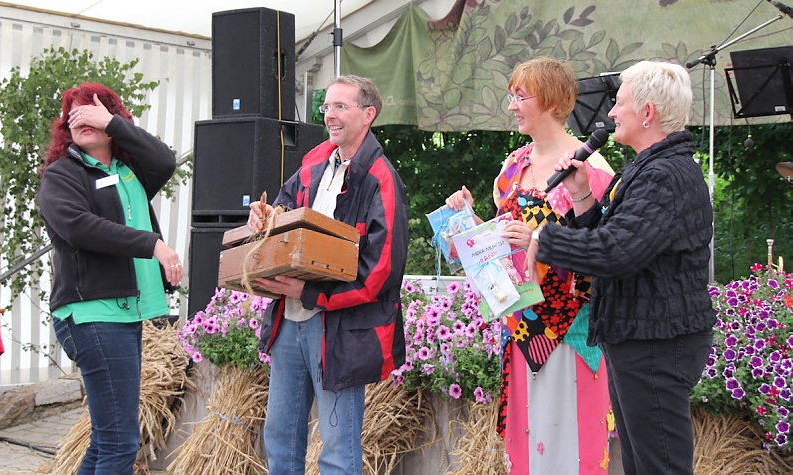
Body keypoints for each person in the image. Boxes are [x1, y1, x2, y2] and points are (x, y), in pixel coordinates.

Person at [527, 60, 715, 475]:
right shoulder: (650, 169)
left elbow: (616, 253)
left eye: (620, 102)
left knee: (659, 465)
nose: (610, 113)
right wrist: (581, 199)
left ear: (647, 113)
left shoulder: (664, 175)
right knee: (642, 463)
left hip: (657, 339)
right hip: (642, 334)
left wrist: (543, 238)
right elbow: (623, 244)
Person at [445, 57, 614, 474]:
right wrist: (470, 222)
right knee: (528, 445)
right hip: (521, 325)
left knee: (572, 447)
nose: (512, 106)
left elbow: (605, 252)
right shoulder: (512, 167)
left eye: (521, 97)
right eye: (511, 96)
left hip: (570, 330)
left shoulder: (591, 170)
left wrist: (541, 241)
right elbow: (503, 241)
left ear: (554, 101)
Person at [247, 75, 408, 474]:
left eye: (340, 107)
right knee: (280, 440)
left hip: (338, 330)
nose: (329, 115)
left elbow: (381, 274)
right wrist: (264, 217)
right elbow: (283, 211)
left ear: (367, 115)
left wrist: (310, 293)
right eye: (326, 107)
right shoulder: (315, 161)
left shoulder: (382, 178)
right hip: (290, 324)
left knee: (337, 452)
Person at [37, 82, 182, 474]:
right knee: (121, 442)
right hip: (94, 314)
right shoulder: (61, 176)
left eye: (92, 110)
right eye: (75, 113)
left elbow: (165, 160)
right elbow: (80, 227)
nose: (82, 118)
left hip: (122, 314)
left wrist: (112, 123)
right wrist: (152, 244)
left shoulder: (129, 171)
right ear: (66, 126)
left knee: (107, 440)